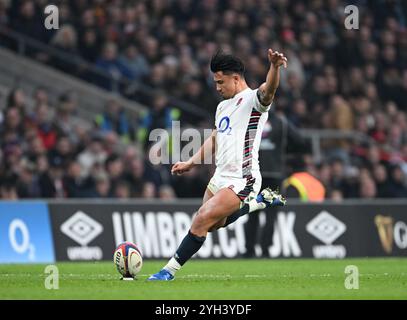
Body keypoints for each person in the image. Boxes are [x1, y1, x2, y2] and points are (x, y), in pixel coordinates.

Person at [148, 49, 288, 281]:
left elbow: (269, 89)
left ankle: (168, 271)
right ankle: (259, 203)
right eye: (215, 82)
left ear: (235, 78)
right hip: (220, 178)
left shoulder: (253, 101)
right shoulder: (222, 107)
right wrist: (192, 162)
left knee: (202, 218)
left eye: (220, 82)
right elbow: (215, 137)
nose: (217, 87)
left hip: (243, 178)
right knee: (214, 224)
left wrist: (274, 67)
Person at [244, 109, 311, 257]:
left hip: (254, 174)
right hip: (274, 174)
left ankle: (249, 251)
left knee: (251, 213)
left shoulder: (250, 119)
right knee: (270, 215)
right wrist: (285, 152)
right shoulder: (282, 122)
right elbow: (300, 141)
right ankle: (266, 251)